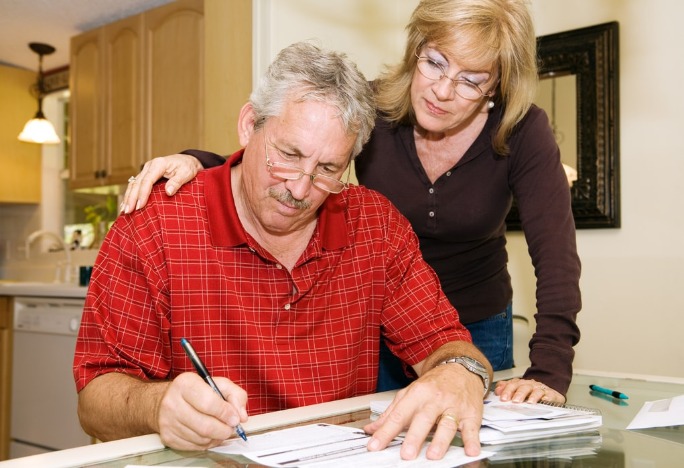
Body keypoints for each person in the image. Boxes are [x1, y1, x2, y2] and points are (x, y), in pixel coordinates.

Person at [122, 0, 581, 405]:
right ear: (415, 49)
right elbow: (293, 149)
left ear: (496, 86)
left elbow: (556, 258)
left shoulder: (521, 131)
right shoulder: (374, 108)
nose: (443, 91)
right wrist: (199, 161)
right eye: (436, 63)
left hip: (473, 320)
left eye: (471, 81)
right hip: (378, 316)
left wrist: (550, 371)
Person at [74, 41, 493, 461]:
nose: (299, 188)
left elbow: (446, 344)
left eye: (328, 169)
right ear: (249, 124)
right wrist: (158, 406)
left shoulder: (375, 225)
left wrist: (459, 373)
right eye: (289, 155)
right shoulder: (153, 225)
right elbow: (95, 400)